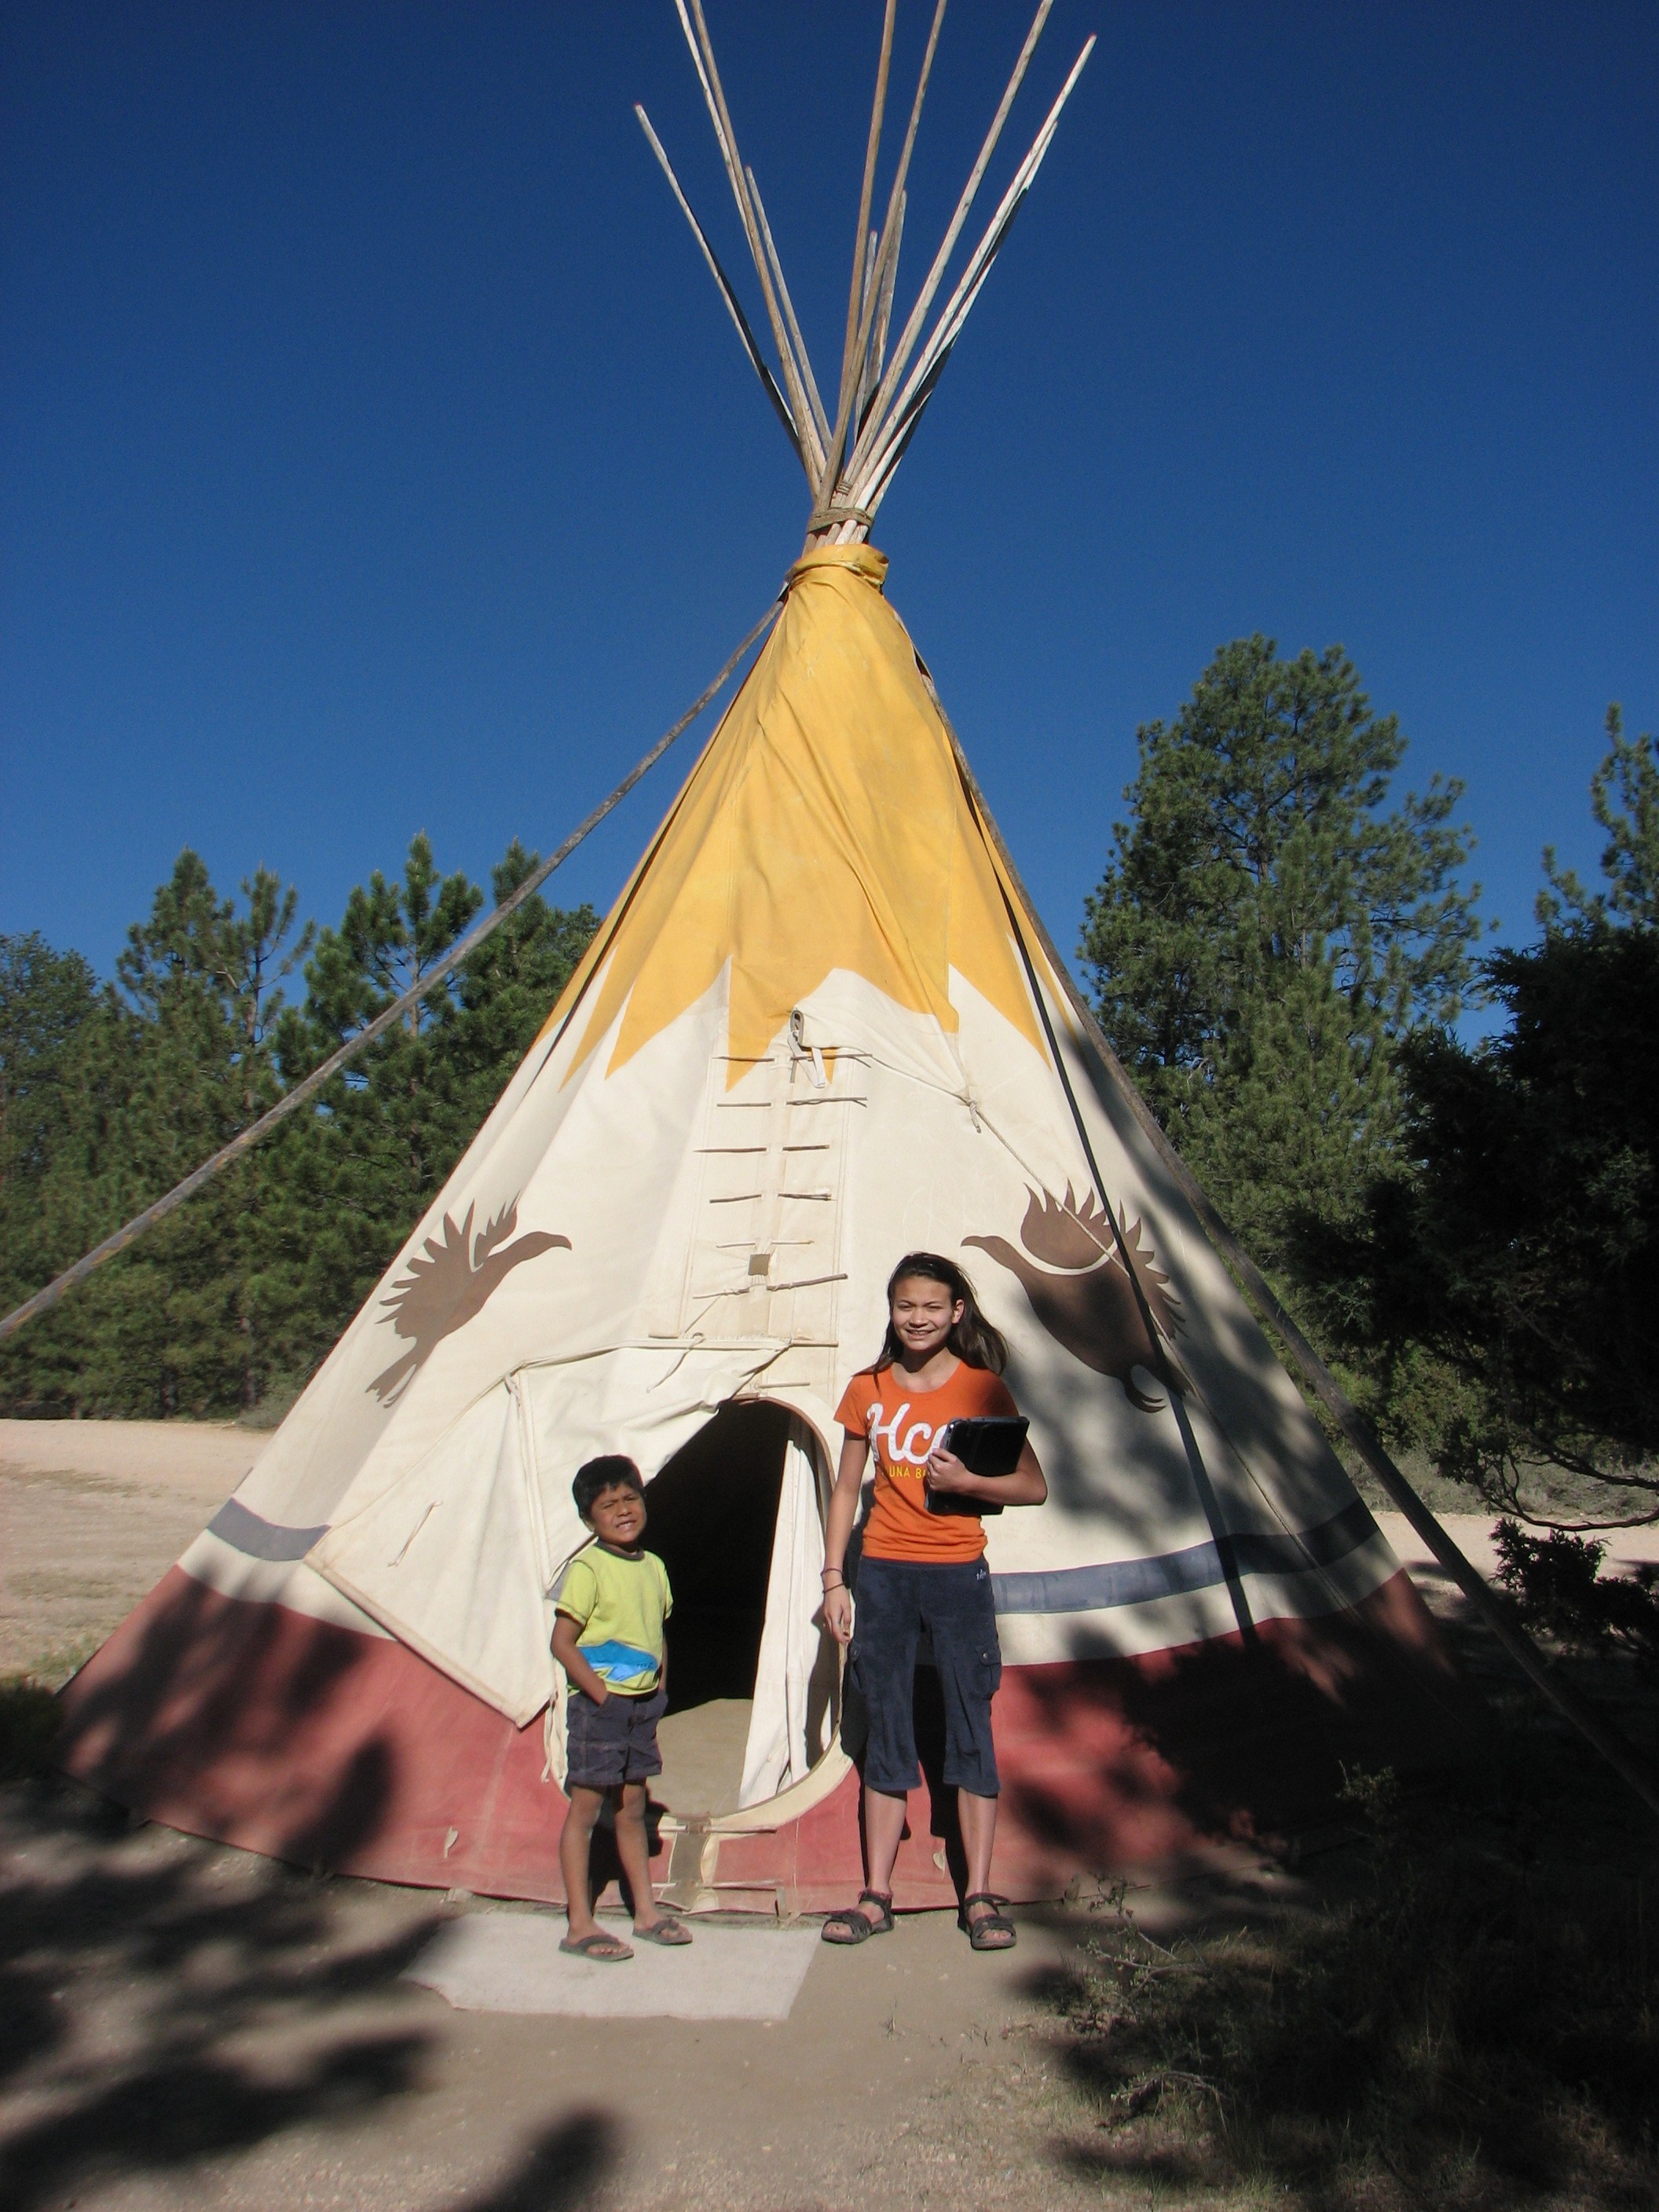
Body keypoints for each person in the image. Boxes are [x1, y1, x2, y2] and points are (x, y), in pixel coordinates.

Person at [819, 1254, 1046, 1951]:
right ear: (891, 1311)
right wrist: (835, 1576)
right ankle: (876, 1893)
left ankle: (978, 1894)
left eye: (931, 1307)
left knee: (966, 1723)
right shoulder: (869, 1389)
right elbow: (846, 1486)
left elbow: (1032, 1486)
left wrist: (970, 1483)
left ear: (956, 1313)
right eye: (904, 1306)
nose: (916, 1318)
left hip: (955, 1574)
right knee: (885, 1722)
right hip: (883, 1573)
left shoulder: (983, 1390)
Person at [551, 1453, 693, 1961]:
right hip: (600, 1706)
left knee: (632, 1808)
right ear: (590, 1519)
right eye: (608, 1505)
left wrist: (659, 1691)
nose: (623, 1511)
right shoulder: (587, 1568)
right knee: (587, 1808)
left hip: (641, 1705)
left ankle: (647, 1912)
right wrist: (599, 1694)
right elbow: (562, 1641)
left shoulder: (653, 1567)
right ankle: (579, 1923)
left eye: (630, 1499)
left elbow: (658, 1633)